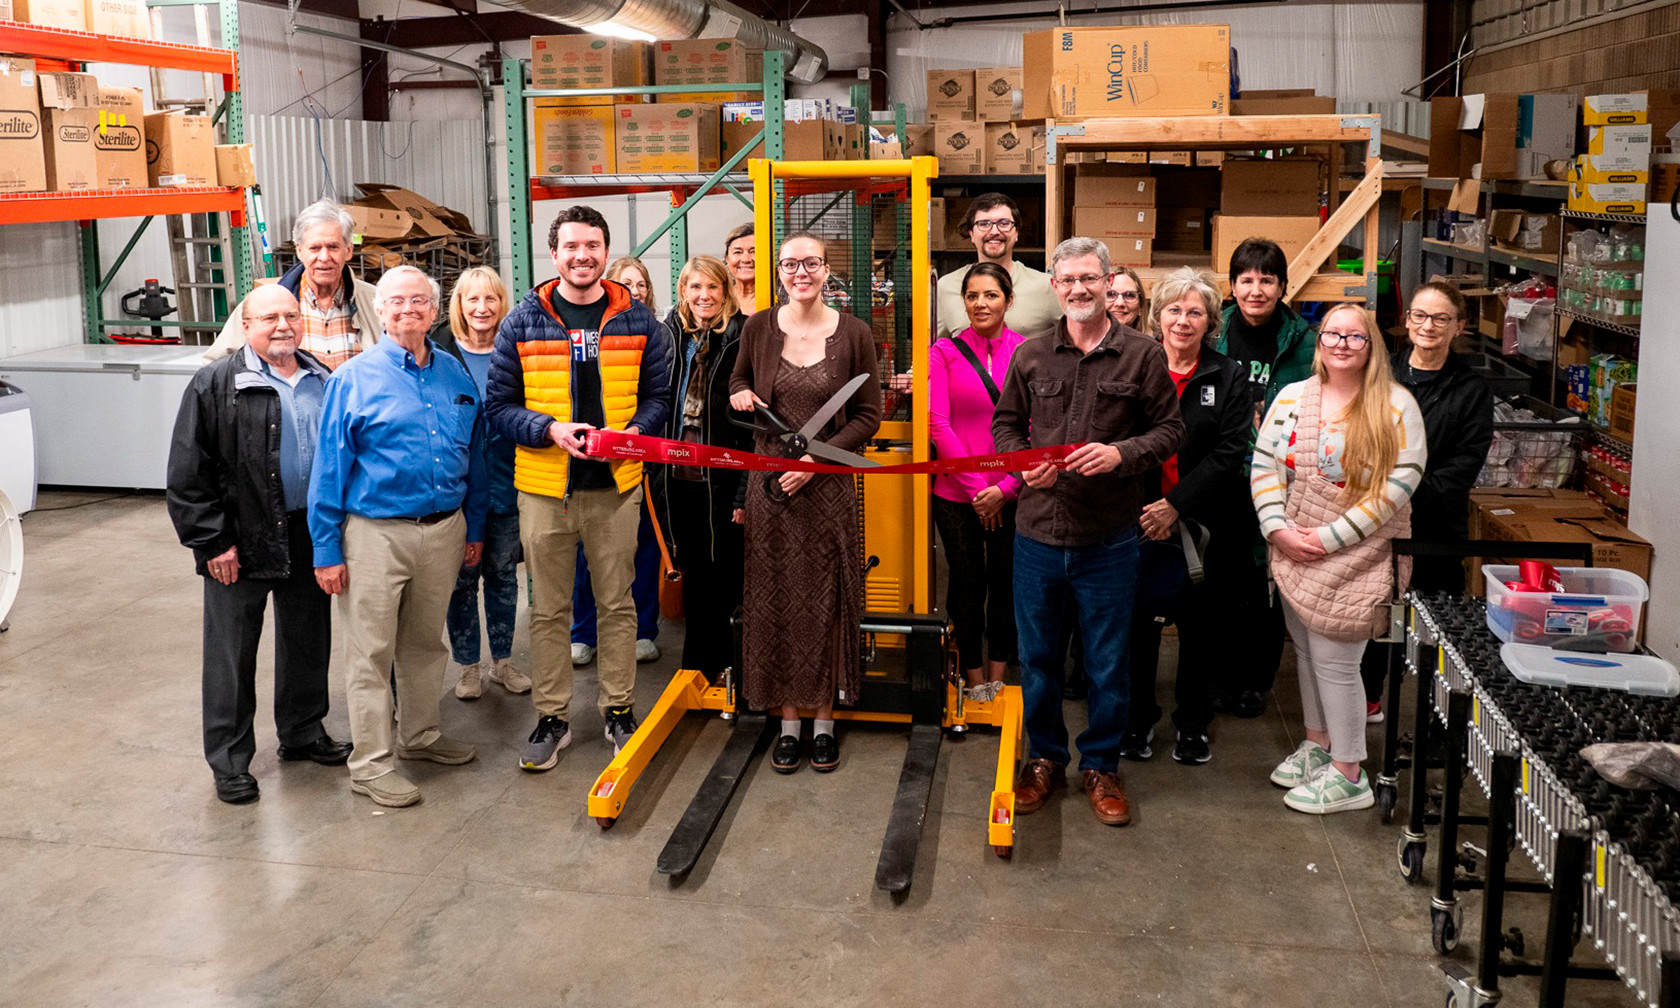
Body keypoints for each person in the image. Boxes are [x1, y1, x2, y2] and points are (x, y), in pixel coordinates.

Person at [995, 237, 1185, 827]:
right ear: (1054, 287)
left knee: (1108, 662)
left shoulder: (1143, 356)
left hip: (1108, 539)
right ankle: (1045, 759)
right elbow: (1006, 425)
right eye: (1068, 279)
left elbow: (1170, 430)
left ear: (1107, 283)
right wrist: (1022, 463)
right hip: (1037, 536)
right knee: (1039, 660)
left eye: (1089, 278)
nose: (1079, 289)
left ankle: (1101, 766)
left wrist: (1121, 455)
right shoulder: (1031, 355)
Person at [486, 206, 673, 772]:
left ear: (605, 252)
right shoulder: (522, 323)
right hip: (545, 490)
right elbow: (499, 407)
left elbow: (659, 398)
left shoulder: (640, 321)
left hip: (616, 490)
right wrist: (549, 430)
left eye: (592, 245)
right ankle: (553, 717)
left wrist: (634, 434)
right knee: (548, 610)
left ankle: (618, 708)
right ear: (554, 254)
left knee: (617, 604)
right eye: (571, 246)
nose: (582, 256)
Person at [309, 265, 488, 808]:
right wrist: (326, 549)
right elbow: (329, 469)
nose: (409, 309)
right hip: (374, 536)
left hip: (444, 531)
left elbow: (476, 457)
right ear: (380, 311)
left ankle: (420, 736)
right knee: (370, 652)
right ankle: (370, 764)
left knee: (425, 644)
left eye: (419, 301)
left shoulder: (454, 373)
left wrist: (474, 527)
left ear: (434, 310)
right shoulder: (352, 379)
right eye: (398, 302)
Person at [166, 285, 352, 805]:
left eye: (291, 315)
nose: (283, 325)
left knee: (307, 637)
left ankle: (303, 731)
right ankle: (229, 761)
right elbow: (187, 471)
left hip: (307, 531)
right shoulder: (215, 384)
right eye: (269, 317)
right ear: (246, 326)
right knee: (231, 652)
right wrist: (212, 542)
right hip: (238, 539)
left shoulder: (321, 378)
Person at [1251, 303, 1426, 814]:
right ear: (1319, 340)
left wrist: (1328, 538)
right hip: (1294, 547)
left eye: (1354, 337)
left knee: (1338, 664)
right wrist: (1276, 528)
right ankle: (1318, 743)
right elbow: (1264, 466)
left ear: (1371, 345)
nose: (1341, 344)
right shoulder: (1291, 397)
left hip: (1359, 554)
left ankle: (1350, 772)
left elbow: (1397, 488)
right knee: (1307, 653)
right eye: (1332, 334)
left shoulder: (1396, 405)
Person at [729, 231, 882, 774]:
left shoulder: (855, 333)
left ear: (826, 269)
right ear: (778, 272)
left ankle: (824, 721)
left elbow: (869, 415)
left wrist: (817, 461)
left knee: (827, 597)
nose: (801, 273)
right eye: (791, 264)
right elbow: (739, 380)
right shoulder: (757, 328)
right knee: (773, 596)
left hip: (828, 487)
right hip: (770, 487)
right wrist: (739, 392)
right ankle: (788, 721)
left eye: (811, 263)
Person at [1119, 268, 1252, 766]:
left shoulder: (1228, 375)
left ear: (1210, 321)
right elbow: (1119, 438)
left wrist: (1176, 505)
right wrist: (1146, 509)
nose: (1183, 320)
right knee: (1138, 627)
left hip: (1205, 524)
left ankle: (1193, 722)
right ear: (1158, 316)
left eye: (1195, 312)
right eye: (1174, 309)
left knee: (1199, 628)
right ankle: (1136, 719)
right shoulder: (1136, 367)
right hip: (1138, 520)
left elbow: (1230, 451)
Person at [1359, 282, 1494, 718]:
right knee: (1378, 616)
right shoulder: (1382, 375)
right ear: (1407, 320)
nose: (1427, 326)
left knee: (1437, 625)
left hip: (1436, 527)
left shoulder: (1471, 390)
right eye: (1419, 315)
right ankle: (1369, 698)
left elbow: (1463, 465)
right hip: (1378, 523)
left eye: (1440, 318)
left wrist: (1400, 497)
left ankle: (1440, 722)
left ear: (1459, 326)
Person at [1209, 237, 1319, 719]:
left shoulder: (1305, 341)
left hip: (1280, 478)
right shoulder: (1213, 330)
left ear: (1283, 286)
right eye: (1246, 280)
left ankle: (1255, 680)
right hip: (1220, 472)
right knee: (1218, 579)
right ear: (1232, 286)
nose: (1256, 290)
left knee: (1265, 584)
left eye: (1267, 280)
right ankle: (1217, 677)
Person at [432, 267, 532, 701]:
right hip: (457, 487)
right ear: (459, 305)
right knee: (461, 579)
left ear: (501, 304)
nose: (481, 308)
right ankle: (468, 666)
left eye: (490, 299)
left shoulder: (515, 350)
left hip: (508, 481)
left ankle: (503, 661)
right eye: (472, 299)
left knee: (503, 575)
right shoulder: (439, 351)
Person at [929, 262, 1025, 704]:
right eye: (972, 296)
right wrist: (975, 489)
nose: (980, 304)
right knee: (966, 586)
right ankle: (972, 679)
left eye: (991, 295)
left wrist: (1005, 488)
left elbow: (1033, 427)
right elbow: (938, 423)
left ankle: (999, 676)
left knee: (1006, 585)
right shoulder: (943, 352)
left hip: (1012, 493)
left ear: (1009, 300)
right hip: (955, 495)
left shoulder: (1026, 352)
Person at [654, 254, 751, 678]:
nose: (704, 295)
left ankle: (731, 664)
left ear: (725, 291)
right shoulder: (670, 335)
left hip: (724, 478)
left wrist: (744, 491)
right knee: (692, 569)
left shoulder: (742, 336)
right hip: (678, 477)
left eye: (712, 286)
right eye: (695, 287)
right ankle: (695, 665)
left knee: (727, 572)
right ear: (683, 291)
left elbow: (752, 426)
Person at [571, 255, 667, 667]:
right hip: (589, 457)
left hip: (642, 456)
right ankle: (584, 632)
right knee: (586, 551)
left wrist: (637, 433)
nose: (636, 290)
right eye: (627, 283)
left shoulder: (656, 332)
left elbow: (659, 394)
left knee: (642, 547)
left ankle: (643, 630)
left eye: (642, 283)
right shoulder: (587, 331)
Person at [205, 200, 380, 369]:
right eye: (315, 248)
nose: (324, 257)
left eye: (333, 247)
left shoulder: (377, 303)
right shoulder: (261, 305)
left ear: (348, 251)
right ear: (299, 251)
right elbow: (215, 369)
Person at [934, 193, 1060, 341]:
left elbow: (1073, 341)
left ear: (1016, 233)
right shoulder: (946, 286)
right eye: (984, 224)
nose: (994, 231)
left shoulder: (1046, 287)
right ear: (971, 234)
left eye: (1004, 223)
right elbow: (934, 347)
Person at [724, 223, 756, 309]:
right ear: (727, 258)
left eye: (753, 252)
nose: (746, 259)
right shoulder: (719, 297)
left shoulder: (780, 298)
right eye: (737, 252)